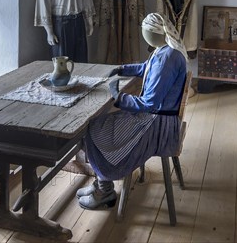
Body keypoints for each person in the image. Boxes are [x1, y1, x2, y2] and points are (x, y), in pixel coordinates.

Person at [77, 13, 188, 210]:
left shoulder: (167, 59)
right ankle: (101, 184)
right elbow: (146, 68)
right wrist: (121, 69)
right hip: (158, 119)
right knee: (99, 124)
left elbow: (148, 104)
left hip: (156, 126)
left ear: (152, 34)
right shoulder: (166, 51)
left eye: (145, 31)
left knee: (93, 129)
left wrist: (118, 96)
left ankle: (105, 190)